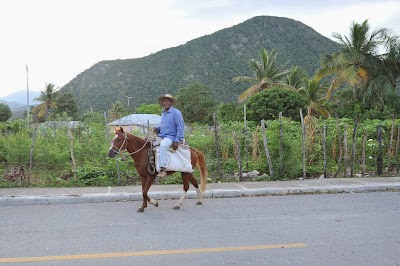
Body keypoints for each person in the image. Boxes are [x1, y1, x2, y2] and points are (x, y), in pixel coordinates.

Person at [154, 94, 185, 177]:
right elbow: (164, 125)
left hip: (171, 137)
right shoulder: (163, 113)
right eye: (164, 101)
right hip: (162, 135)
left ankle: (163, 168)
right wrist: (158, 129)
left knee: (163, 145)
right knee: (148, 143)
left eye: (168, 101)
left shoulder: (176, 113)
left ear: (171, 102)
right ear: (162, 103)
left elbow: (180, 127)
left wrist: (177, 140)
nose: (166, 102)